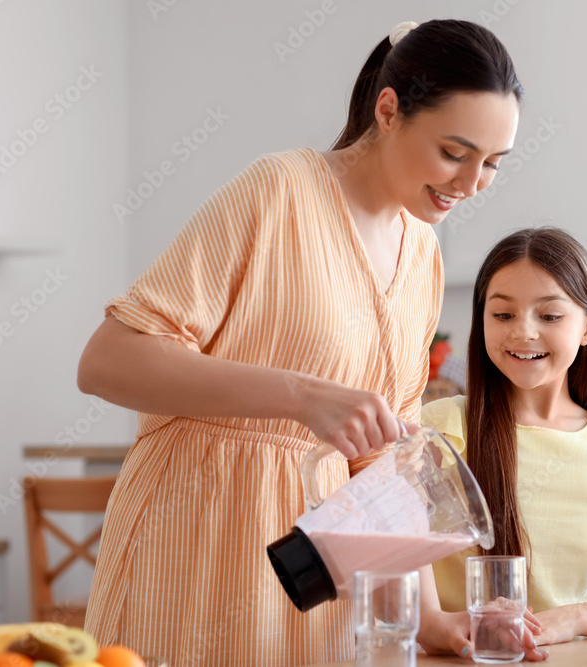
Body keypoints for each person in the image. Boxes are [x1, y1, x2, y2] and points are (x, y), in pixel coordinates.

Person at [76, 19, 522, 667]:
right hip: (199, 546)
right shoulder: (278, 190)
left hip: (321, 583)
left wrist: (430, 618)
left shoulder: (421, 253)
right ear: (389, 109)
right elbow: (107, 360)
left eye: (492, 164)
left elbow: (393, 461)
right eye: (455, 152)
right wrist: (300, 395)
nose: (472, 182)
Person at [417, 228, 587, 658]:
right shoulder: (439, 429)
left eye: (549, 316)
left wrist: (569, 618)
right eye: (503, 315)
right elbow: (389, 551)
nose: (524, 332)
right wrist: (434, 623)